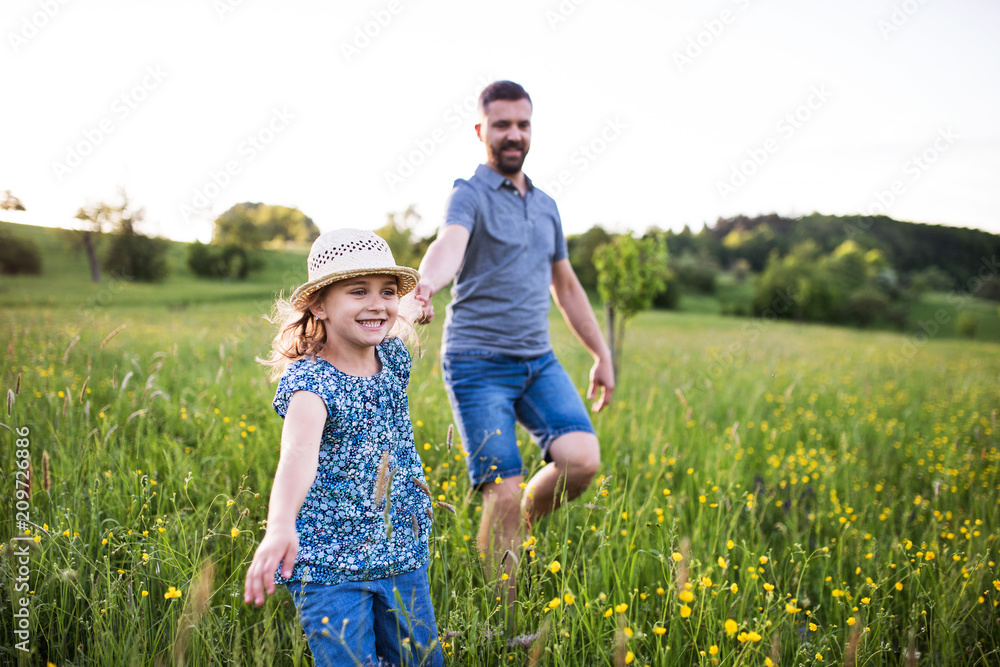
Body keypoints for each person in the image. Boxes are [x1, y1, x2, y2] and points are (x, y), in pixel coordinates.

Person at [408, 80, 615, 594]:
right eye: (502, 125)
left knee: (582, 461)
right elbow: (448, 244)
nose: (513, 134)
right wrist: (425, 284)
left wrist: (601, 353)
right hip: (477, 362)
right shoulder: (469, 194)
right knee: (500, 492)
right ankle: (503, 615)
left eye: (523, 124)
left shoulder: (546, 205)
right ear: (481, 131)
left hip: (537, 362)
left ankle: (519, 523)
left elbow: (565, 284)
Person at [243, 228, 443, 667]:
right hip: (330, 566)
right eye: (358, 292)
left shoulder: (390, 353)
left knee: (422, 661)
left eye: (386, 291)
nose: (377, 304)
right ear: (318, 304)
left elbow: (393, 312)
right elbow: (297, 456)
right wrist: (279, 525)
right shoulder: (311, 384)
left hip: (399, 550)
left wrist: (415, 302)